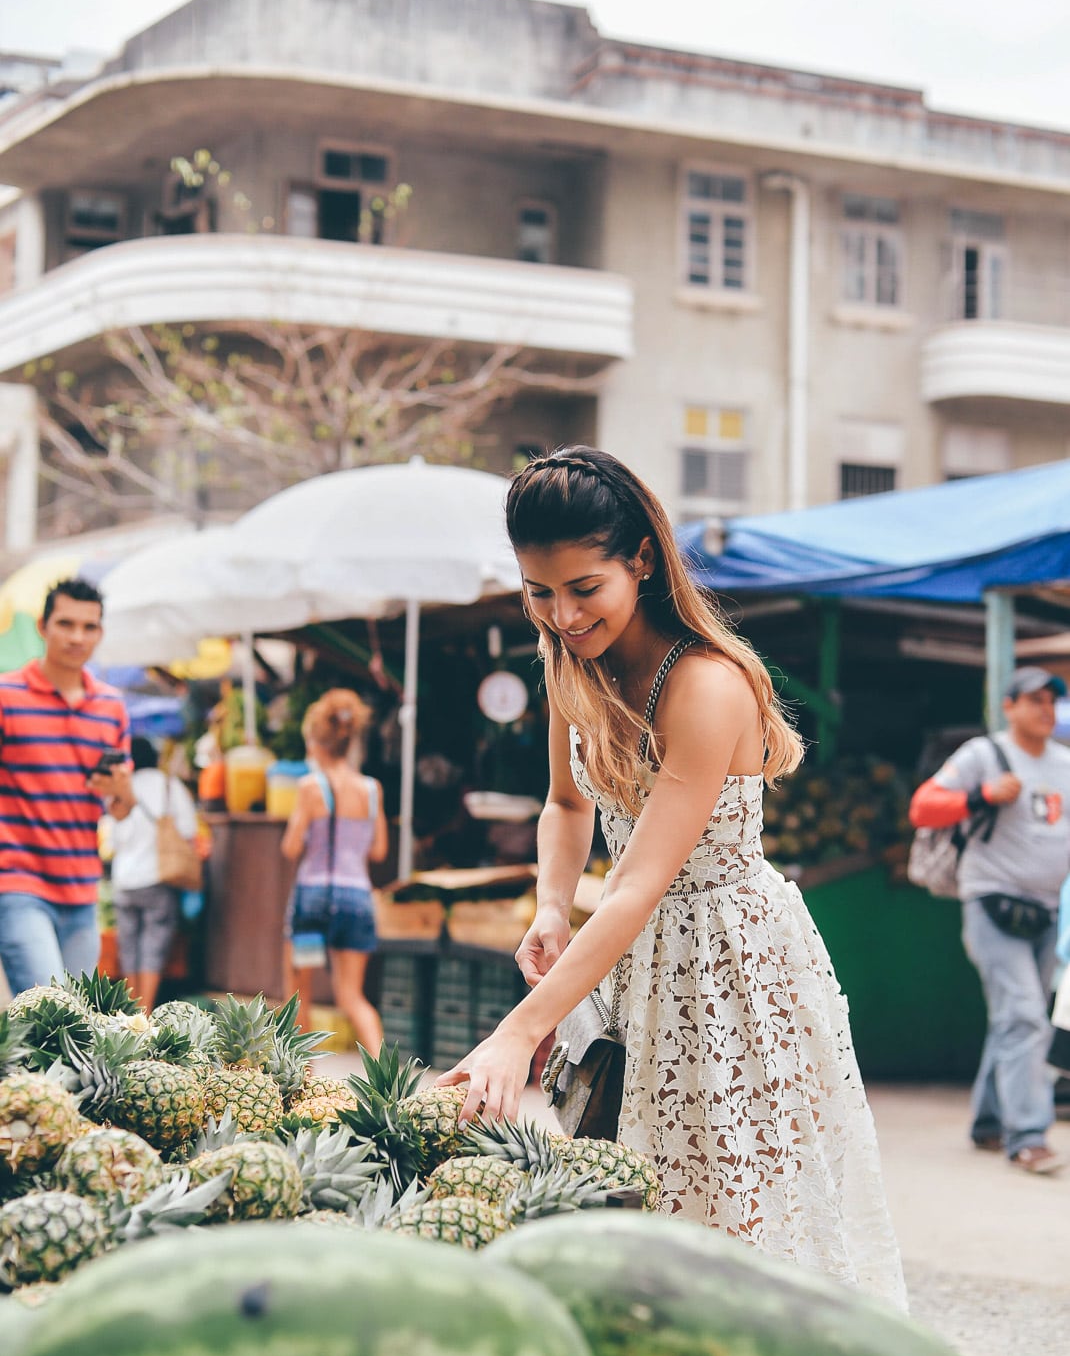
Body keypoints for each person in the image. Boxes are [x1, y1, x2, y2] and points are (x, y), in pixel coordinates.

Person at [436, 446, 905, 1308]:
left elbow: (642, 882)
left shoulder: (705, 684)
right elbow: (566, 806)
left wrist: (515, 1032)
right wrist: (547, 904)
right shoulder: (570, 664)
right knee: (637, 1185)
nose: (563, 615)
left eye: (585, 589)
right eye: (540, 592)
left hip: (732, 962)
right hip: (634, 956)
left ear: (642, 561)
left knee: (739, 1204)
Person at [909, 666, 1070, 1174]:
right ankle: (1027, 1137)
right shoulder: (985, 754)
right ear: (1009, 706)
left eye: (1052, 701)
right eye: (1035, 700)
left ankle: (987, 1123)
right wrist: (980, 796)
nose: (1046, 709)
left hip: (1050, 910)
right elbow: (923, 807)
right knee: (1024, 1013)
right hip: (993, 901)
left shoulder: (1065, 763)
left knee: (1016, 1019)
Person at [0, 579, 133, 995]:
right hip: (18, 882)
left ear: (100, 633)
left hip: (81, 891)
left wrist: (124, 789)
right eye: (66, 623)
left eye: (88, 627)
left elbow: (120, 808)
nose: (77, 637)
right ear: (43, 626)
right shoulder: (7, 696)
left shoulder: (111, 706)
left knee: (76, 1026)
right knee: (49, 1015)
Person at [282, 689, 388, 1054]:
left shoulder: (311, 787)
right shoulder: (372, 789)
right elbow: (378, 850)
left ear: (315, 741)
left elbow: (291, 846)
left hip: (314, 901)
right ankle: (383, 1078)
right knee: (352, 996)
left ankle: (302, 1080)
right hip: (357, 899)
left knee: (300, 995)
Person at [108, 737, 198, 1011]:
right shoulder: (171, 787)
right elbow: (189, 832)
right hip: (158, 878)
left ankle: (131, 1012)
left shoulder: (121, 791)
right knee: (153, 947)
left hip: (124, 880)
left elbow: (113, 840)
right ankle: (144, 1014)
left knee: (129, 948)